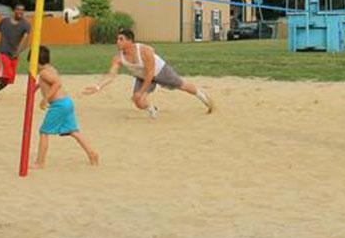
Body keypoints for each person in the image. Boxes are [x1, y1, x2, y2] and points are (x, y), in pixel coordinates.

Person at [83, 29, 214, 117]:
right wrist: (98, 86)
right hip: (142, 77)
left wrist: (141, 92)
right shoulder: (118, 57)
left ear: (130, 41)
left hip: (160, 71)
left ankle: (204, 98)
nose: (118, 42)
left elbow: (150, 73)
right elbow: (111, 75)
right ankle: (152, 110)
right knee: (138, 102)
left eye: (121, 39)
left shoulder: (145, 50)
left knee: (182, 85)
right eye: (117, 39)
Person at [32, 46, 99, 169]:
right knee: (73, 131)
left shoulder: (43, 72)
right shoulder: (50, 69)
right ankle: (92, 154)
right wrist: (36, 88)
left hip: (59, 105)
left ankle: (40, 162)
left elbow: (57, 83)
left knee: (44, 132)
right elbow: (47, 82)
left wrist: (45, 98)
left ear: (35, 61)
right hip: (67, 102)